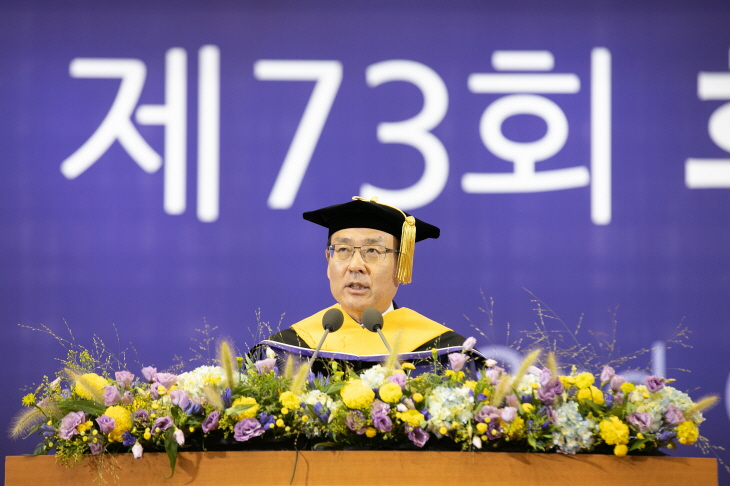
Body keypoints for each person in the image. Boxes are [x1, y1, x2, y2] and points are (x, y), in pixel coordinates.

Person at [253, 196, 474, 371]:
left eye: (372, 251)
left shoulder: (445, 353)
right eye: (342, 250)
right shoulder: (283, 353)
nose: (355, 265)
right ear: (328, 262)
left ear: (401, 266)